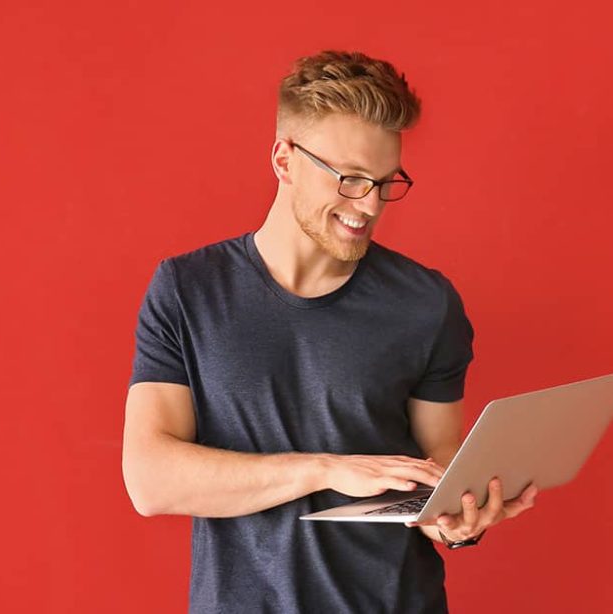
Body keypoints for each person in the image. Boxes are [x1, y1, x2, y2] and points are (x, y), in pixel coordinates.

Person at [122, 49, 539, 613]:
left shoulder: (426, 303)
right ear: (284, 158)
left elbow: (437, 478)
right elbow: (150, 480)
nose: (368, 206)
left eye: (385, 183)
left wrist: (460, 521)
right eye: (349, 179)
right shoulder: (187, 290)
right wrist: (324, 467)